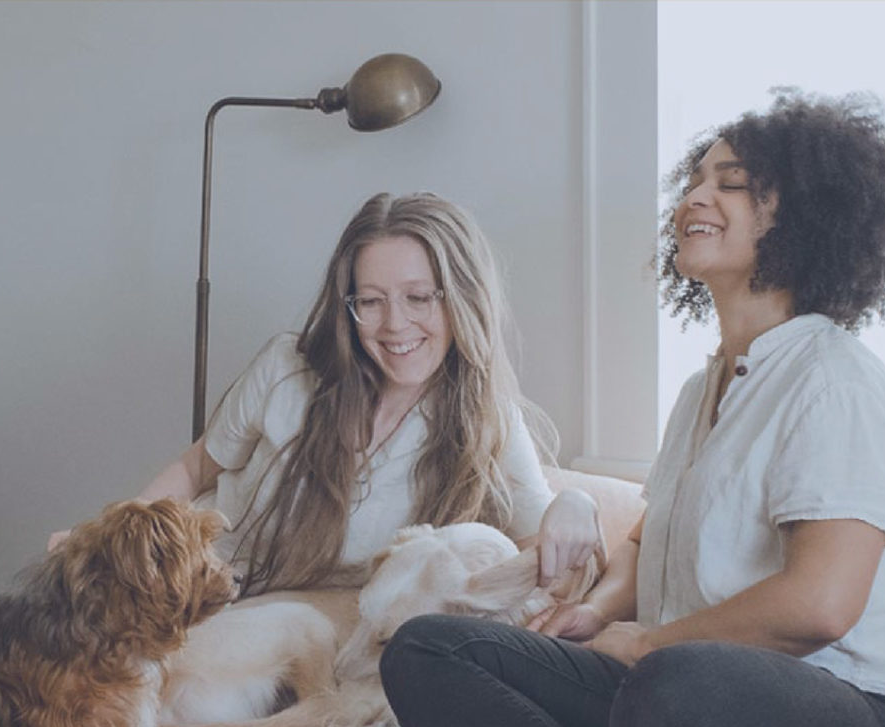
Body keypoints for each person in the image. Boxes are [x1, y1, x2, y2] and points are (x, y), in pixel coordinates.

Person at [379, 91, 885, 727]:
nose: (695, 197)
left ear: (805, 217)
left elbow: (821, 602)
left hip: (877, 723)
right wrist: (593, 612)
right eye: (695, 180)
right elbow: (643, 540)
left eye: (731, 184)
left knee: (673, 685)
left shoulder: (834, 383)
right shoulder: (705, 390)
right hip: (688, 689)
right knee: (428, 650)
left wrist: (652, 642)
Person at [51, 192, 602, 594]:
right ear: (348, 305)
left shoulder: (486, 418)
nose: (394, 325)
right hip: (204, 594)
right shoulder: (287, 369)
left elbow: (542, 545)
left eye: (418, 298)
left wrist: (577, 504)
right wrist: (105, 541)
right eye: (371, 301)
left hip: (318, 633)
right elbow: (196, 471)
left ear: (461, 299)